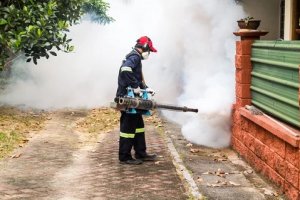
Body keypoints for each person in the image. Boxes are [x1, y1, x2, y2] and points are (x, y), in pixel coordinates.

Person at [116, 36, 157, 165]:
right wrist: (134, 86)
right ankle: (125, 157)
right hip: (127, 98)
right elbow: (125, 70)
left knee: (139, 126)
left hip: (133, 98)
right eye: (149, 50)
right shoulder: (134, 57)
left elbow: (137, 78)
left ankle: (141, 152)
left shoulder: (136, 58)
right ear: (144, 47)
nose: (149, 53)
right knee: (128, 128)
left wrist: (145, 88)